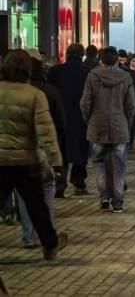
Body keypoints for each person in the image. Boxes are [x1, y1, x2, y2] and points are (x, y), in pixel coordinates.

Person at [0, 50, 68, 260]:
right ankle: (49, 245)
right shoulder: (34, 95)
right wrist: (56, 162)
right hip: (25, 161)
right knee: (37, 207)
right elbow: (46, 132)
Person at [16, 55, 66, 249]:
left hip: (7, 154)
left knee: (22, 196)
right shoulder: (41, 93)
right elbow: (52, 128)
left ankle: (29, 237)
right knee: (42, 191)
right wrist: (55, 158)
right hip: (34, 153)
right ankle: (47, 239)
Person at [80, 47, 135, 213]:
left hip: (97, 126)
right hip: (120, 127)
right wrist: (126, 122)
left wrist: (88, 120)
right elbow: (132, 105)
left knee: (99, 164)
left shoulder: (92, 76)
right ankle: (118, 202)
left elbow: (85, 103)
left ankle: (104, 198)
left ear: (100, 61)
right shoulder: (126, 77)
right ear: (118, 60)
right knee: (118, 166)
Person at [47, 43, 91, 198]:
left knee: (61, 151)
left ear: (67, 54)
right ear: (82, 55)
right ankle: (79, 182)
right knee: (80, 151)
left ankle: (60, 184)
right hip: (81, 117)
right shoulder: (88, 72)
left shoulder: (55, 71)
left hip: (59, 116)